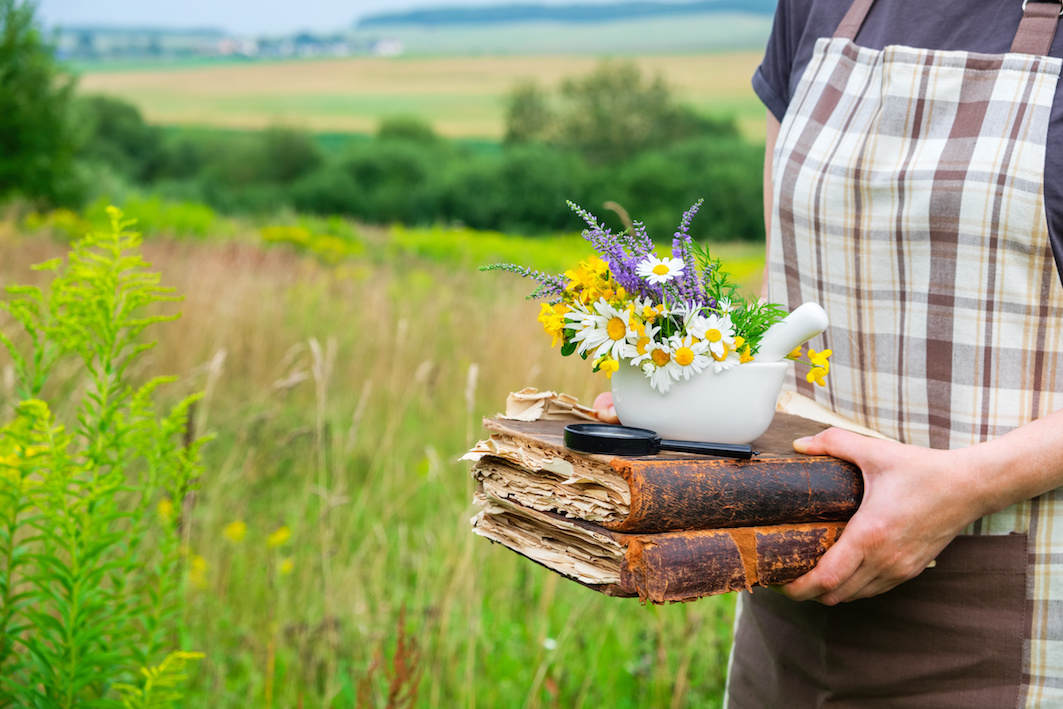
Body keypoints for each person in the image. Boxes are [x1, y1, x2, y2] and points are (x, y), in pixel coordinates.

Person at [595, 0, 1063, 705]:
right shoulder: (816, 5)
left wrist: (966, 483)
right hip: (790, 604)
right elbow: (784, 289)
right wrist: (697, 395)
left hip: (1009, 614)